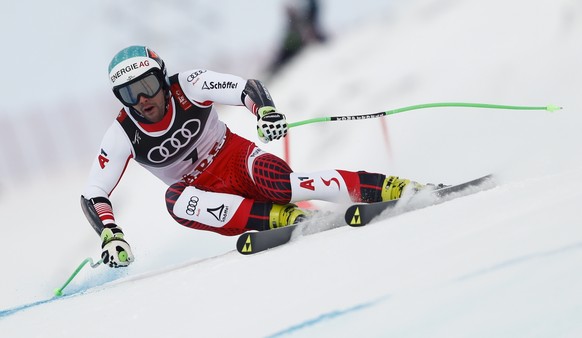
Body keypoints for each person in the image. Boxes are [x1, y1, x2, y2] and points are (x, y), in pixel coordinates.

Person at [81, 46, 435, 268]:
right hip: (201, 192)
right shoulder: (123, 132)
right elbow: (94, 191)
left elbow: (244, 88)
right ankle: (281, 219)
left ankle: (391, 187)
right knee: (175, 201)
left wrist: (264, 111)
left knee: (283, 184)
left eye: (147, 86)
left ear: (161, 77)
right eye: (129, 93)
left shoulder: (186, 84)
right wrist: (111, 233)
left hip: (236, 159)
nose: (142, 99)